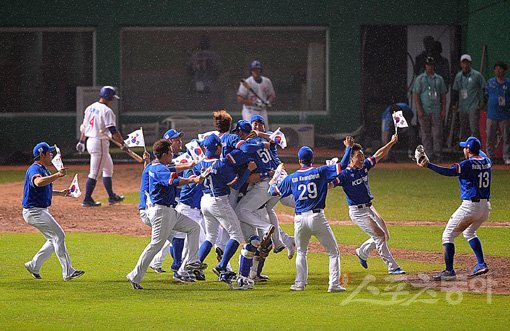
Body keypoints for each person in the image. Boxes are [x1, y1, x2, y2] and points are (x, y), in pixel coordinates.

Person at [127, 139, 206, 290]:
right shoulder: (159, 170)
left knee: (194, 228)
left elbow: (173, 167)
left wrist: (188, 166)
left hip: (169, 211)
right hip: (162, 212)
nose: (172, 154)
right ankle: (134, 275)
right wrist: (192, 179)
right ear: (164, 154)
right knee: (155, 245)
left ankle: (191, 261)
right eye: (170, 153)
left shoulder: (157, 166)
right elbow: (174, 181)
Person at [269, 146, 345, 293]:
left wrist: (273, 181)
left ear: (299, 160)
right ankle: (334, 284)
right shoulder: (319, 171)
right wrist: (347, 149)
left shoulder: (292, 177)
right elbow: (341, 166)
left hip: (300, 220)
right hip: (317, 217)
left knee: (302, 252)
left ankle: (299, 284)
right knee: (333, 252)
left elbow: (273, 192)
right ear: (312, 159)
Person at [417, 137, 491, 281]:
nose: (463, 149)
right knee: (470, 232)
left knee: (447, 236)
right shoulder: (487, 160)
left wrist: (429, 165)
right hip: (485, 208)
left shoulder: (467, 164)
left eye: (465, 147)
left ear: (468, 150)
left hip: (471, 207)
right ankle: (481, 263)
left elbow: (449, 172)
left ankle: (449, 271)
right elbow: (480, 153)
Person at [331, 136, 406, 275]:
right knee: (380, 236)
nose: (361, 159)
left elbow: (379, 154)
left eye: (362, 156)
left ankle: (362, 252)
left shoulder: (364, 166)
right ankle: (393, 267)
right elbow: (331, 185)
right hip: (357, 212)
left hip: (369, 207)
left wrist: (391, 142)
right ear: (351, 158)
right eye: (358, 156)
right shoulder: (345, 174)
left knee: (385, 235)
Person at [194, 134, 256, 288]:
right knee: (236, 235)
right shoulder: (220, 164)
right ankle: (222, 266)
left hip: (204, 200)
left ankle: (196, 264)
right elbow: (235, 185)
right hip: (218, 201)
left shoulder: (199, 163)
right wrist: (248, 170)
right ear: (218, 148)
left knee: (211, 236)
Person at [22, 142, 85, 281]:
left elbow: (44, 189)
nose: (51, 154)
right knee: (59, 236)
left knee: (53, 239)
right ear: (41, 154)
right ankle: (68, 271)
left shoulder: (44, 169)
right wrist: (57, 175)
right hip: (34, 212)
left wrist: (61, 193)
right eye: (49, 152)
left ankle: (34, 265)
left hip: (39, 210)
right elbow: (38, 183)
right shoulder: (34, 169)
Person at [76, 86, 125, 207]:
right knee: (94, 173)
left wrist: (81, 141)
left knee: (108, 168)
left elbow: (84, 127)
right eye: (112, 97)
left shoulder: (90, 107)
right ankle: (87, 199)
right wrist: (123, 144)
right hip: (99, 143)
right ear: (109, 97)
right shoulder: (107, 111)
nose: (112, 100)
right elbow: (113, 131)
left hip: (91, 141)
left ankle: (111, 197)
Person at [413, 57, 448, 161]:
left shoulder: (439, 79)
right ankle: (428, 154)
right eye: (428, 65)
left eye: (431, 65)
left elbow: (443, 95)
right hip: (424, 109)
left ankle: (438, 153)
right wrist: (419, 109)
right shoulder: (420, 79)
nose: (429, 67)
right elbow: (416, 95)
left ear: (434, 66)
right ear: (425, 66)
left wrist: (443, 110)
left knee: (437, 132)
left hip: (436, 109)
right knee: (425, 133)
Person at [452, 54, 486, 140]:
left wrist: (483, 101)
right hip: (462, 107)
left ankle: (476, 149)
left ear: (470, 64)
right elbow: (455, 91)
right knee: (464, 130)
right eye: (463, 63)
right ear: (461, 64)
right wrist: (454, 104)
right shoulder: (458, 76)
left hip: (473, 106)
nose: (465, 65)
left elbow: (485, 88)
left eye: (467, 63)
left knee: (474, 129)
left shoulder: (477, 75)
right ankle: (466, 151)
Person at [485, 61, 510, 164]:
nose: (498, 71)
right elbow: (486, 96)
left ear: (504, 70)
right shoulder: (490, 82)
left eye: (500, 69)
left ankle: (506, 157)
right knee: (490, 137)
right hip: (492, 115)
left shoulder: (508, 83)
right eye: (496, 69)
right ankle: (489, 157)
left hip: (505, 115)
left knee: (506, 137)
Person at [237, 60, 275, 126]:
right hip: (250, 111)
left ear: (261, 70)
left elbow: (271, 95)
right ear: (251, 71)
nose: (256, 72)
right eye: (254, 70)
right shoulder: (247, 82)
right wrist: (254, 103)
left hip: (262, 110)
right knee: (250, 131)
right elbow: (239, 99)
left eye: (258, 69)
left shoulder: (267, 81)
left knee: (264, 130)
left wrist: (268, 102)